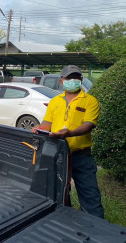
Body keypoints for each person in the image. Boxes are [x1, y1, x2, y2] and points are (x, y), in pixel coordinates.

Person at [31, 65, 104, 219]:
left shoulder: (90, 101)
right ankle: (65, 221)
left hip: (81, 156)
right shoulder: (54, 101)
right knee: (59, 192)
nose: (73, 81)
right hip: (57, 154)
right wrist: (39, 127)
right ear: (62, 81)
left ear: (81, 80)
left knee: (89, 194)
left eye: (76, 78)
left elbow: (88, 126)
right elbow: (47, 123)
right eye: (69, 78)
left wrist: (69, 133)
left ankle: (96, 226)